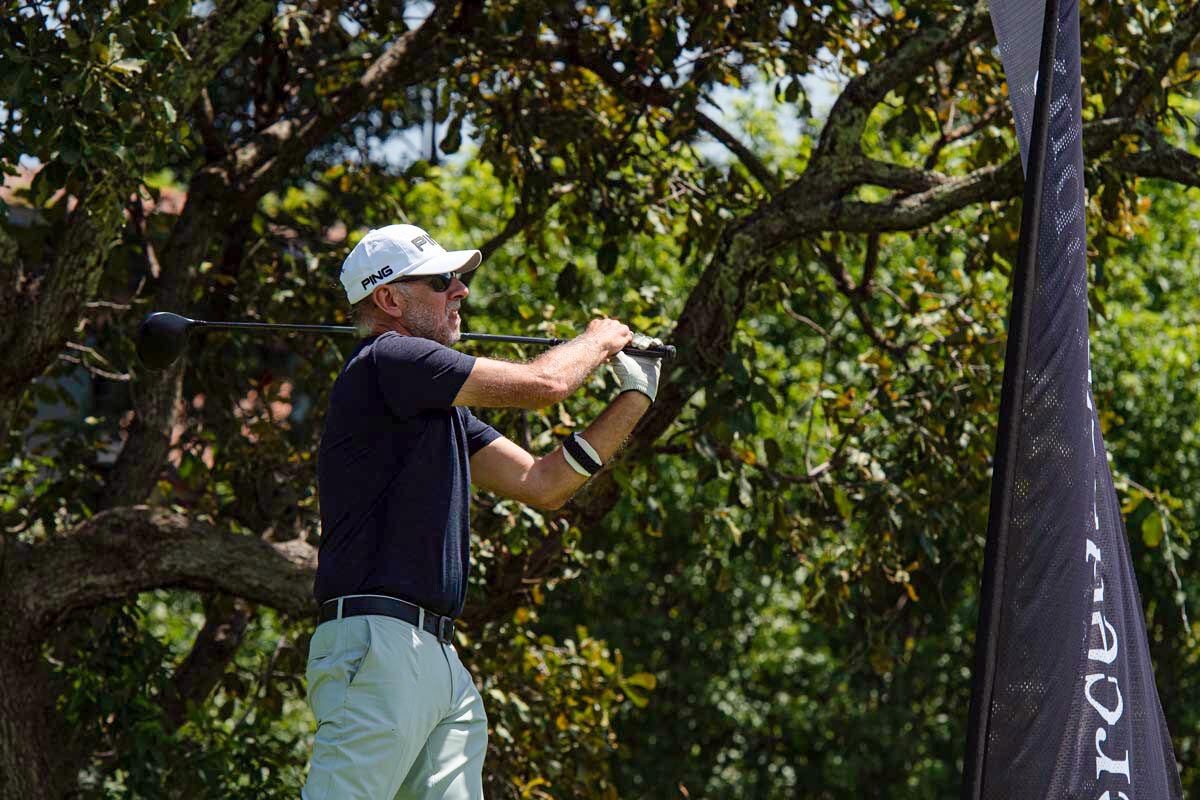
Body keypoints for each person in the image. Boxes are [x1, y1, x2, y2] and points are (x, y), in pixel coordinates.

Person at [302, 223, 662, 799]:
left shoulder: (434, 405)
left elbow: (544, 484)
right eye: (442, 280)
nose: (461, 291)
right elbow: (546, 382)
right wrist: (599, 339)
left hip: (438, 659)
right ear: (389, 300)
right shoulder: (389, 358)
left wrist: (635, 397)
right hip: (379, 645)